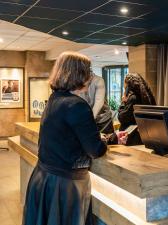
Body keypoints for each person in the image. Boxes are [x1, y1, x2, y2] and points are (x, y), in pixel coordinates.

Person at [22, 52, 107, 225]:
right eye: (87, 71)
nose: (90, 76)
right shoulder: (77, 105)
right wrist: (103, 141)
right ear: (78, 73)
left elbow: (66, 135)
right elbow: (96, 150)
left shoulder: (55, 99)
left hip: (43, 177)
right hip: (65, 185)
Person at [118, 72, 156, 145]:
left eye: (124, 84)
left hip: (130, 136)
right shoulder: (145, 96)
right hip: (140, 136)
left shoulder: (133, 98)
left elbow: (122, 118)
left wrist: (123, 103)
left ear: (128, 85)